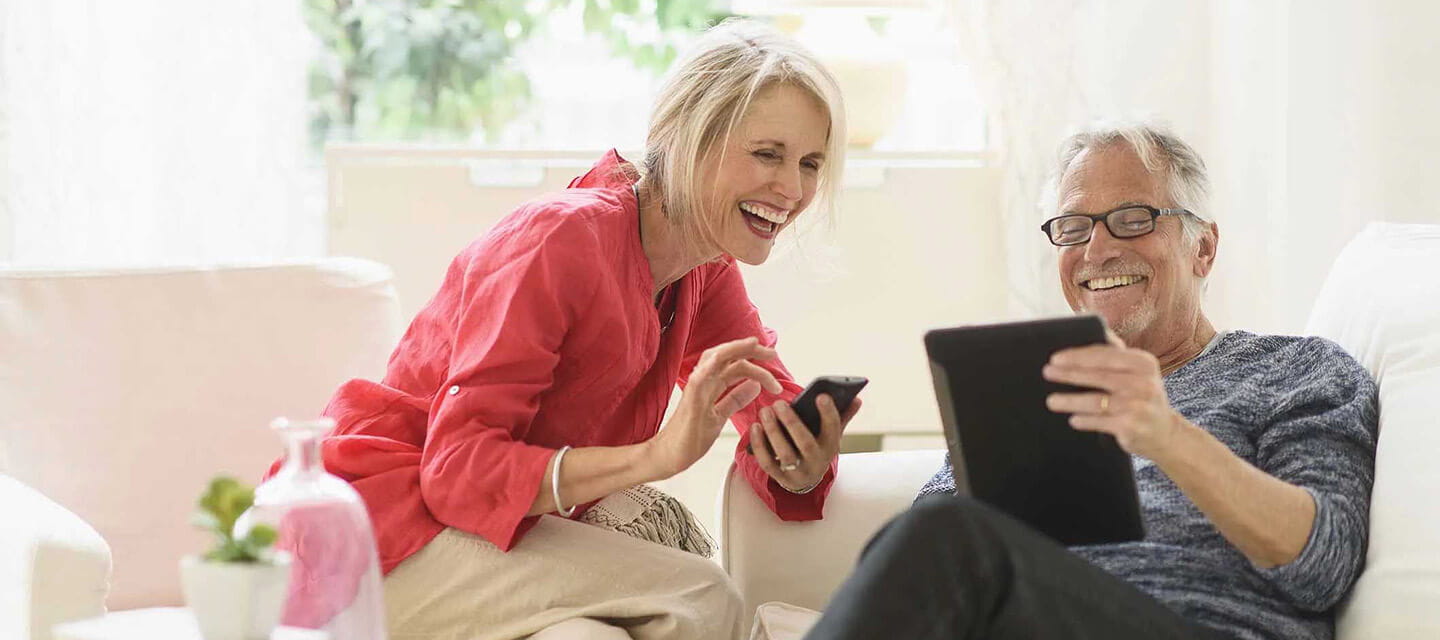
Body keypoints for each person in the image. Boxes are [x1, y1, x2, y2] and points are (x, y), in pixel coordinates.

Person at [290, 19, 859, 640]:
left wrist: (798, 457)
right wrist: (654, 457)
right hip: (387, 537)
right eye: (767, 154)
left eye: (809, 163)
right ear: (687, 136)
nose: (794, 188)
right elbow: (457, 471)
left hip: (501, 541)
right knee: (702, 593)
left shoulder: (703, 270)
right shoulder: (560, 241)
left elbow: (768, 410)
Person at [802, 123, 1378, 640]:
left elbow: (1324, 565)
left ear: (1202, 248)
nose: (1097, 250)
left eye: (1133, 220)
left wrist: (1166, 435)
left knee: (949, 536)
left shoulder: (1296, 370)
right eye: (1074, 228)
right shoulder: (1029, 385)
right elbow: (923, 574)